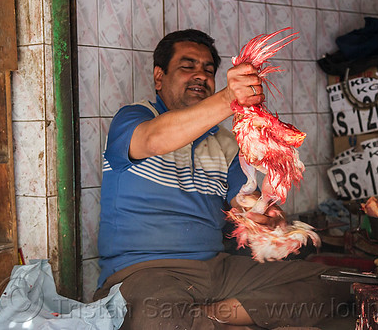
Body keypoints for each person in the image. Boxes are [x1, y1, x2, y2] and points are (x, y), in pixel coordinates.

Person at [93, 29, 347, 329]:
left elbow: (244, 203)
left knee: (336, 286)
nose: (200, 75)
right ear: (159, 78)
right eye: (187, 66)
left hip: (215, 270)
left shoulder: (226, 143)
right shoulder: (134, 119)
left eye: (208, 70)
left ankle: (211, 316)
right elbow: (155, 140)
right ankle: (218, 319)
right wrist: (230, 97)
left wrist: (265, 218)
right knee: (158, 315)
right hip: (144, 273)